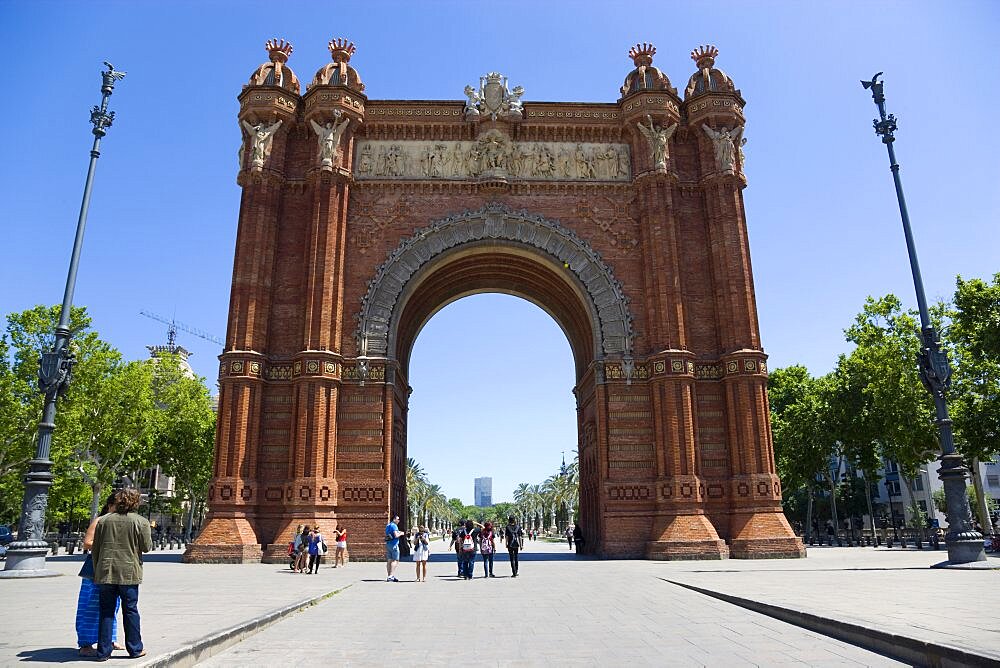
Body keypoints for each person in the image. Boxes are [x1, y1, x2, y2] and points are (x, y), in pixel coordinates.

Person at [91, 487, 153, 661]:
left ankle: (103, 652)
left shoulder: (104, 521)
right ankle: (135, 648)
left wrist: (98, 570)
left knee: (106, 611)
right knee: (130, 610)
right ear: (136, 502)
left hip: (105, 571)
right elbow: (146, 548)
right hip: (129, 572)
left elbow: (95, 549)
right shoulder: (141, 522)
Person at [76, 497, 122, 657]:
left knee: (113, 605)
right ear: (110, 506)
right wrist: (108, 545)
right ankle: (85, 643)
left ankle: (109, 639)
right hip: (95, 569)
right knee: (90, 606)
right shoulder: (100, 521)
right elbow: (87, 543)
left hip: (114, 568)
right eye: (118, 506)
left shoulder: (120, 521)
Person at [385, 514, 404, 582]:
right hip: (394, 545)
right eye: (398, 519)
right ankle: (391, 576)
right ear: (394, 519)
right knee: (395, 560)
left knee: (389, 560)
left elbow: (389, 534)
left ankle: (389, 576)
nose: (399, 521)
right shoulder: (394, 526)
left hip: (388, 544)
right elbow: (396, 535)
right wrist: (401, 533)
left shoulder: (388, 525)